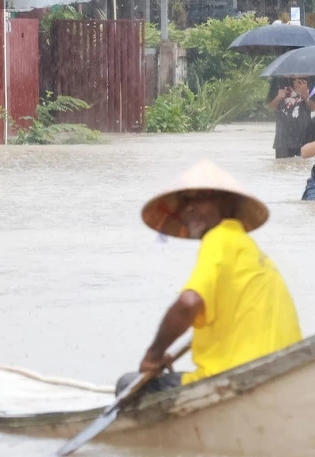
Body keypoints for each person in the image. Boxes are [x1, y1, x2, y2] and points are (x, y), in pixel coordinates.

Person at [120, 159, 303, 395]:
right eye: (186, 202)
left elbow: (187, 305)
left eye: (200, 198)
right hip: (281, 375)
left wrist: (152, 356)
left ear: (227, 204)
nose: (189, 209)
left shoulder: (218, 238)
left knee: (127, 383)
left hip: (233, 379)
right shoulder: (247, 248)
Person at [269, 76, 315, 158]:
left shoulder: (310, 80)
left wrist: (305, 94)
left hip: (305, 137)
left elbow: (314, 108)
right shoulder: (278, 80)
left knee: (302, 168)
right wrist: (278, 98)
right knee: (281, 168)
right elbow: (271, 107)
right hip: (282, 139)